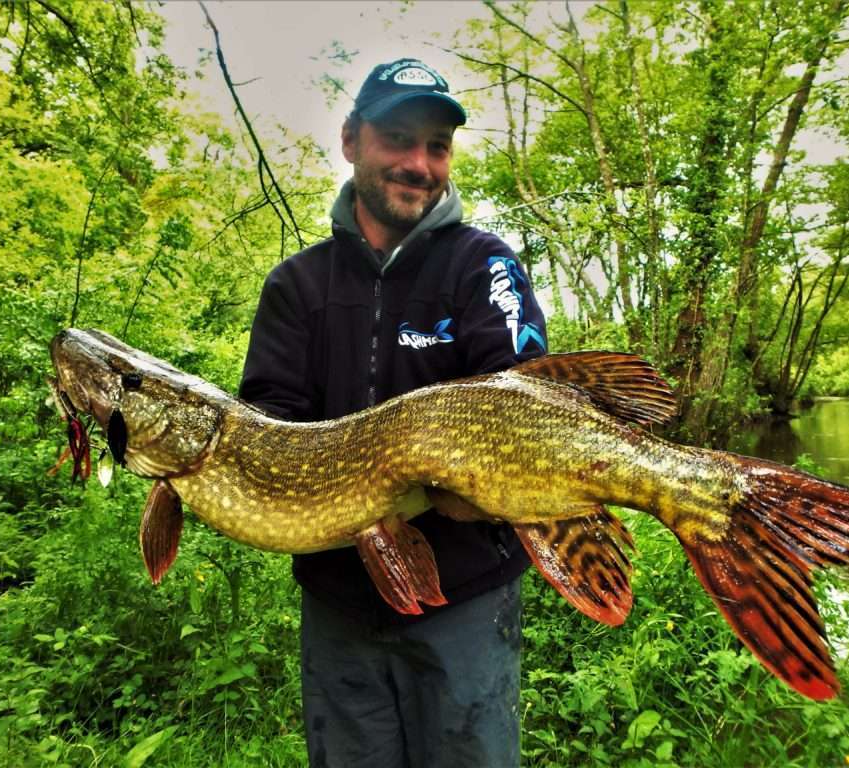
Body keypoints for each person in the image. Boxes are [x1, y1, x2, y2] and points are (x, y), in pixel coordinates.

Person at [239, 58, 547, 768]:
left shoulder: (484, 266)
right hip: (339, 606)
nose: (419, 163)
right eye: (399, 139)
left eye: (436, 146)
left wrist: (471, 485)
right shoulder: (296, 286)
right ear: (351, 141)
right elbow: (268, 421)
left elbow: (522, 393)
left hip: (466, 598)